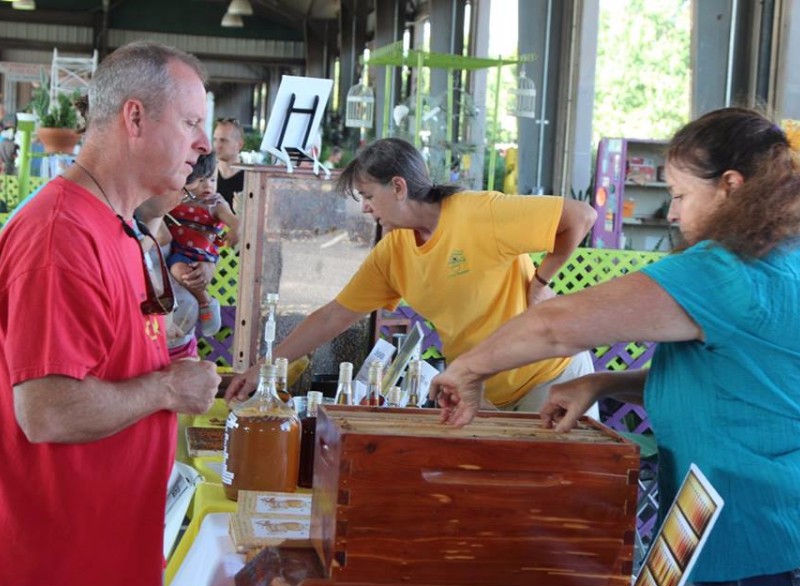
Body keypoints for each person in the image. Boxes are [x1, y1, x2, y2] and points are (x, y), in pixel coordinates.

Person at [431, 108, 800, 586]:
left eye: (680, 195)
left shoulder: (723, 271)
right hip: (758, 521)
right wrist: (603, 383)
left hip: (747, 530)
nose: (671, 213)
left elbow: (556, 324)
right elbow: (729, 383)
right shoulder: (782, 257)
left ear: (730, 185)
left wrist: (469, 369)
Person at [0, 41, 220, 586]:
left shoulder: (119, 226)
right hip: (57, 569)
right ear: (136, 117)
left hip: (108, 552)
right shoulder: (61, 234)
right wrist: (169, 387)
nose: (203, 142)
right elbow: (48, 411)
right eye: (192, 121)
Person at [226, 137, 597, 409]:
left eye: (368, 196)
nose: (366, 210)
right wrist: (264, 368)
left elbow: (581, 217)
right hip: (484, 391)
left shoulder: (479, 213)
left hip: (552, 377)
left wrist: (541, 283)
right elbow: (333, 316)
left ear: (399, 187)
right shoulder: (393, 253)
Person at [136, 191, 217, 359]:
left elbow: (196, 248)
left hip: (183, 341)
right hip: (148, 340)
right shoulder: (141, 219)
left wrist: (208, 265)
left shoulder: (179, 213)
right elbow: (147, 247)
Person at [167, 151, 238, 336]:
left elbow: (234, 220)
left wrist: (235, 231)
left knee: (182, 273)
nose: (208, 186)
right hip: (180, 252)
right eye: (201, 180)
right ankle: (205, 300)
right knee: (179, 271)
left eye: (213, 180)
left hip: (203, 253)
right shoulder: (177, 198)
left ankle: (205, 303)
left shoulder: (215, 202)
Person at [213, 116, 245, 211]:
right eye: (215, 139)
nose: (217, 145)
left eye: (223, 140)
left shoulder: (249, 181)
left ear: (239, 145)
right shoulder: (207, 176)